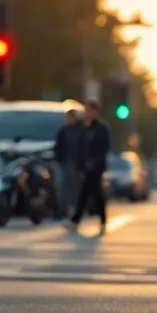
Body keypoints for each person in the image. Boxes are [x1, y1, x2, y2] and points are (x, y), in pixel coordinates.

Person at [67, 100, 111, 235]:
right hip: (85, 166)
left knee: (86, 193)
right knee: (95, 194)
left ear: (96, 112)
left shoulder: (102, 128)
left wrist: (94, 161)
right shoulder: (84, 128)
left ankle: (76, 220)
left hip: (96, 167)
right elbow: (80, 147)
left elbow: (104, 147)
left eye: (90, 110)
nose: (87, 113)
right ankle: (100, 220)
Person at [53, 109, 83, 221]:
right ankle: (62, 209)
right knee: (62, 187)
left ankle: (74, 210)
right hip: (63, 163)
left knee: (75, 188)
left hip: (76, 164)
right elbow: (58, 147)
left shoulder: (80, 131)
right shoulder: (63, 131)